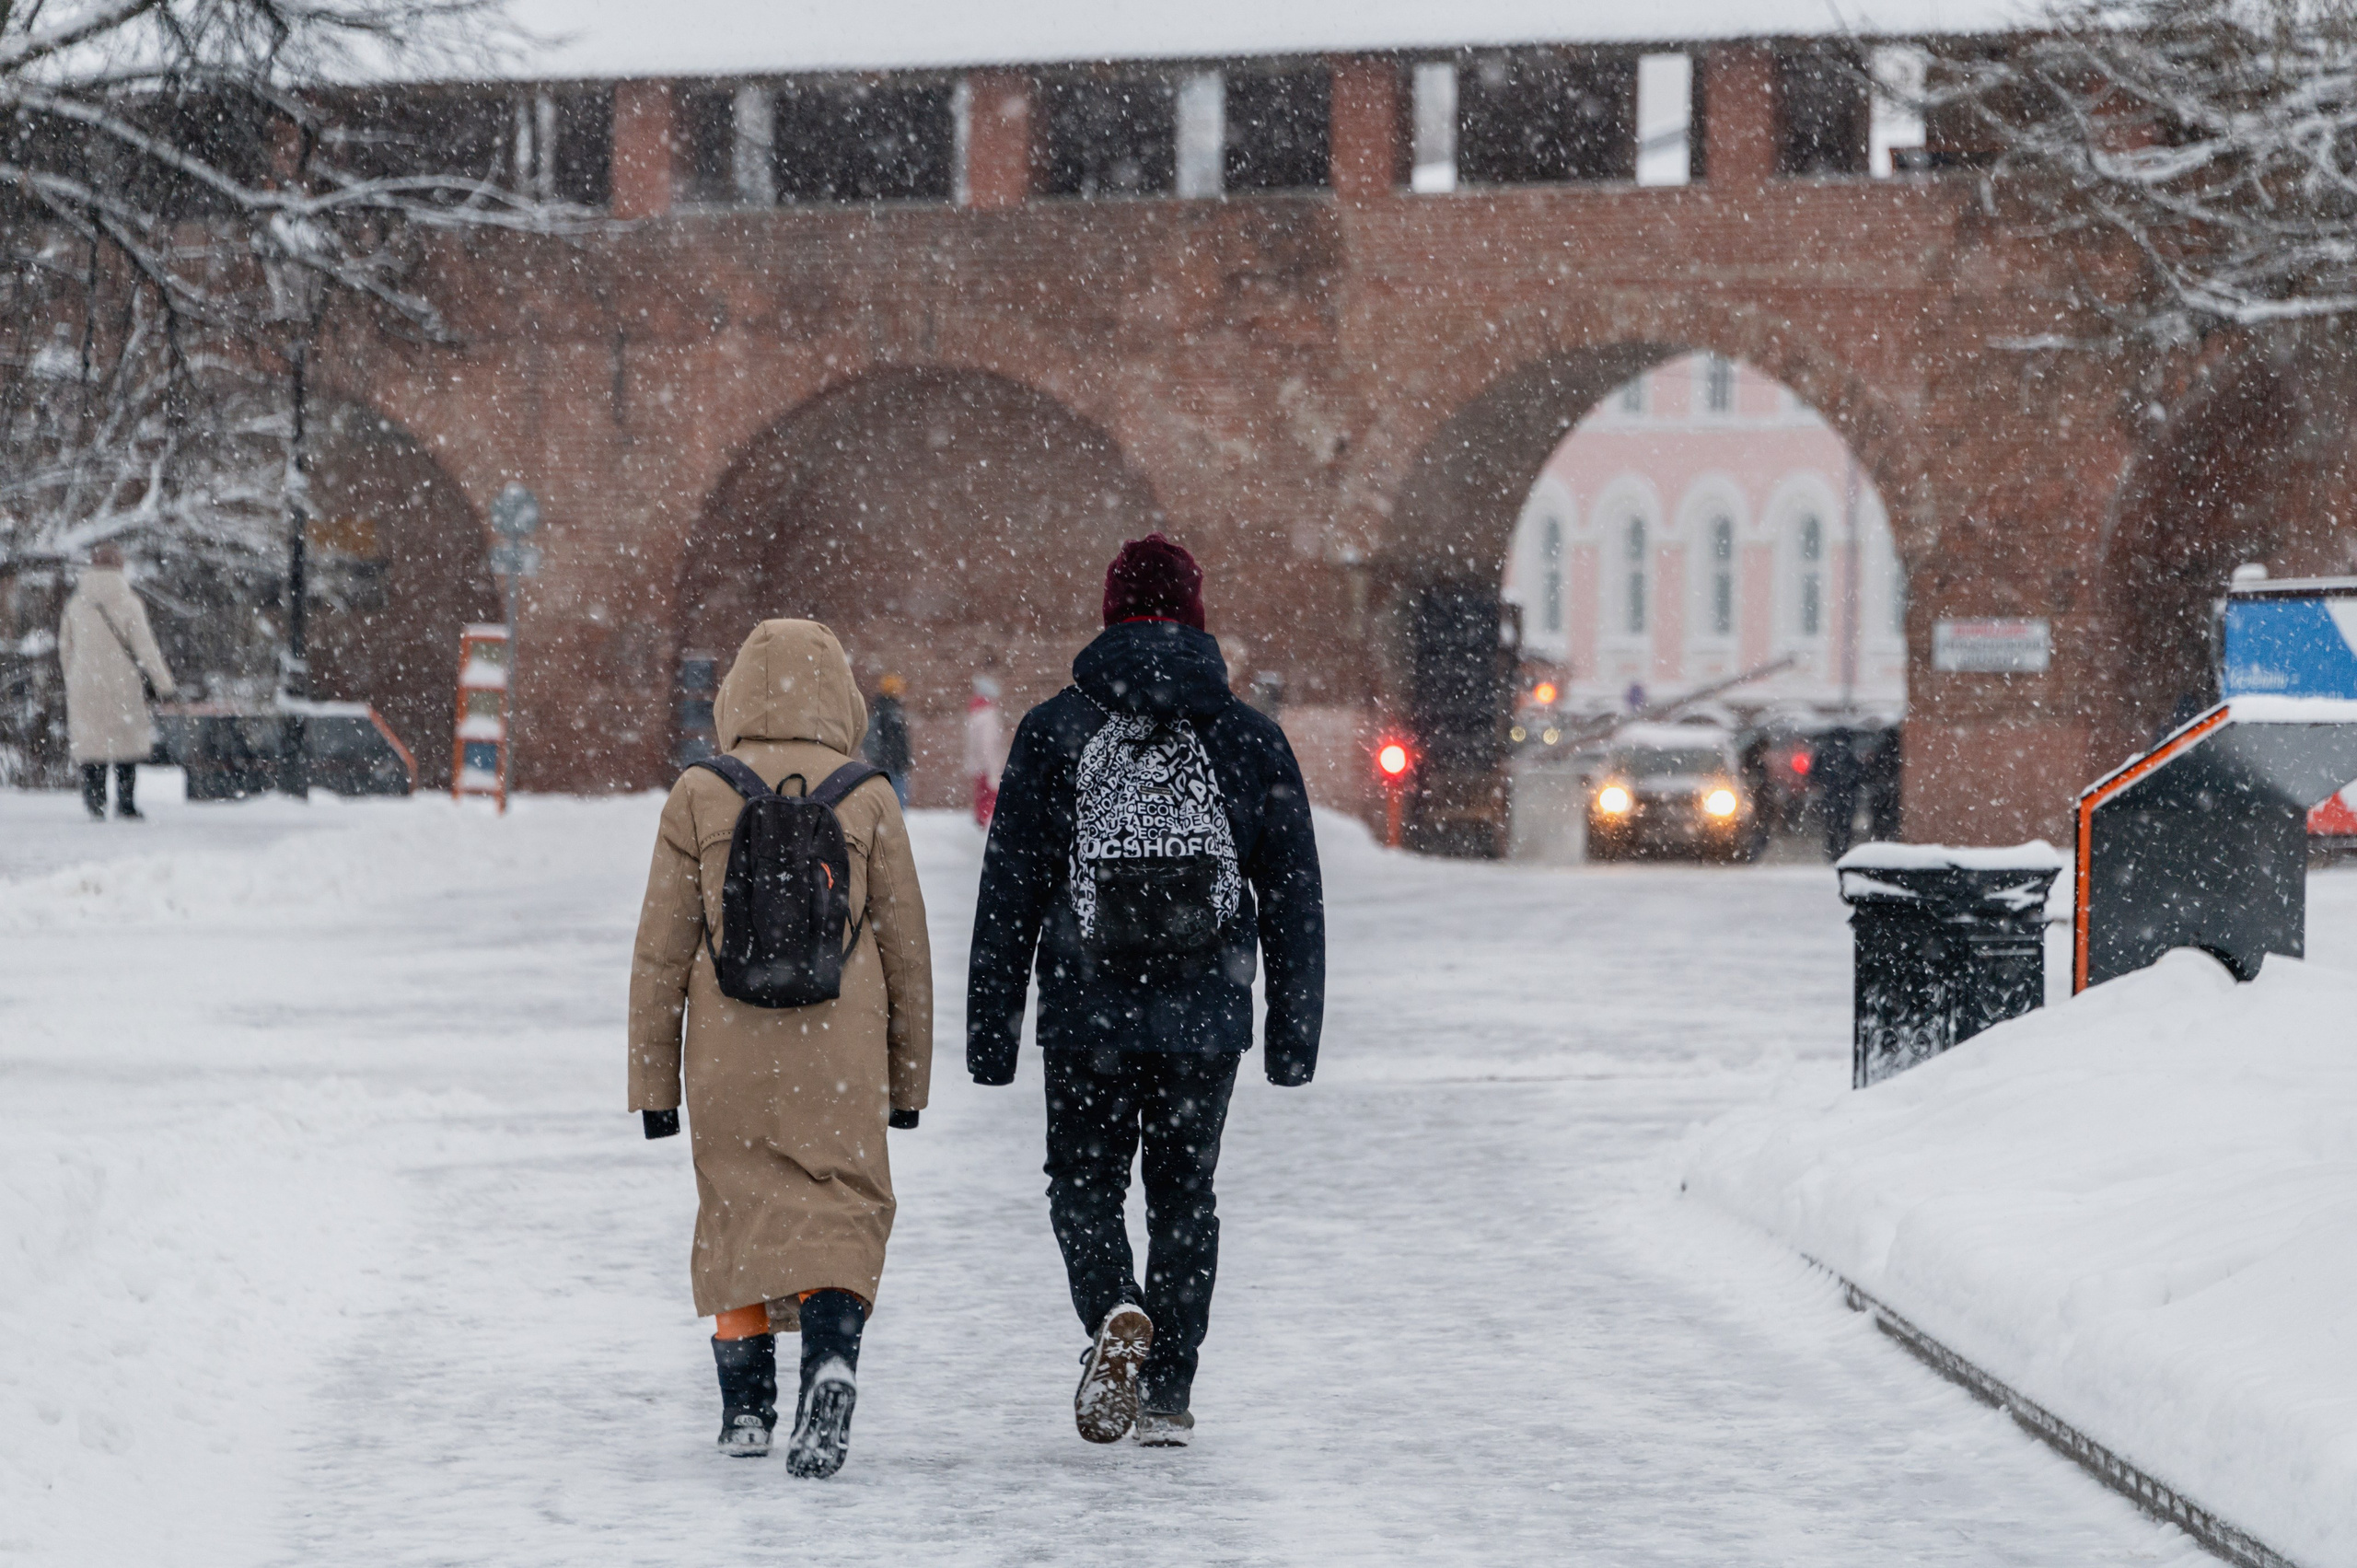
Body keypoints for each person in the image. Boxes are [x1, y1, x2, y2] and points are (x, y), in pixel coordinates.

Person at [967, 533, 1324, 1449]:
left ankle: (1114, 1311)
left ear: (1108, 613)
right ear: (1197, 616)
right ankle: (1166, 1392)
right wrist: (1292, 1036)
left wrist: (991, 1033)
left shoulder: (1054, 730)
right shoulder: (1247, 735)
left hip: (1088, 1010)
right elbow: (1292, 897)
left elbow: (1009, 892)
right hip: (1207, 1014)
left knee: (1082, 1187)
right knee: (1184, 1194)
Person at [627, 619, 932, 1479]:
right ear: (841, 695)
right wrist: (908, 1084)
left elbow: (659, 952)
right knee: (841, 1206)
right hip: (841, 1049)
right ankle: (831, 1361)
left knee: (735, 1212)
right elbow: (907, 951)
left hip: (727, 1049)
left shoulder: (698, 792)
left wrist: (654, 1085)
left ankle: (747, 1410)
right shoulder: (867, 795)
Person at [58, 543, 177, 821]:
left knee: (92, 745)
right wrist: (164, 684)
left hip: (85, 683)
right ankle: (126, 804)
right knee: (126, 745)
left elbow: (65, 647)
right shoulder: (129, 603)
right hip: (123, 683)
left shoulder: (76, 604)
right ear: (119, 567)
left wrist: (73, 677)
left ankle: (95, 802)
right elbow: (146, 649)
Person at [864, 673, 913, 806]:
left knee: (891, 801)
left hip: (890, 763)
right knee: (895, 803)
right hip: (892, 765)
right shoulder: (890, 712)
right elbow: (894, 740)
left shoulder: (885, 709)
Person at [965, 673, 1007, 827]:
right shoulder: (988, 715)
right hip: (988, 766)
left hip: (979, 766)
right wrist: (993, 769)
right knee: (991, 800)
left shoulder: (975, 714)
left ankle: (981, 824)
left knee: (981, 799)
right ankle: (987, 828)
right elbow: (987, 745)